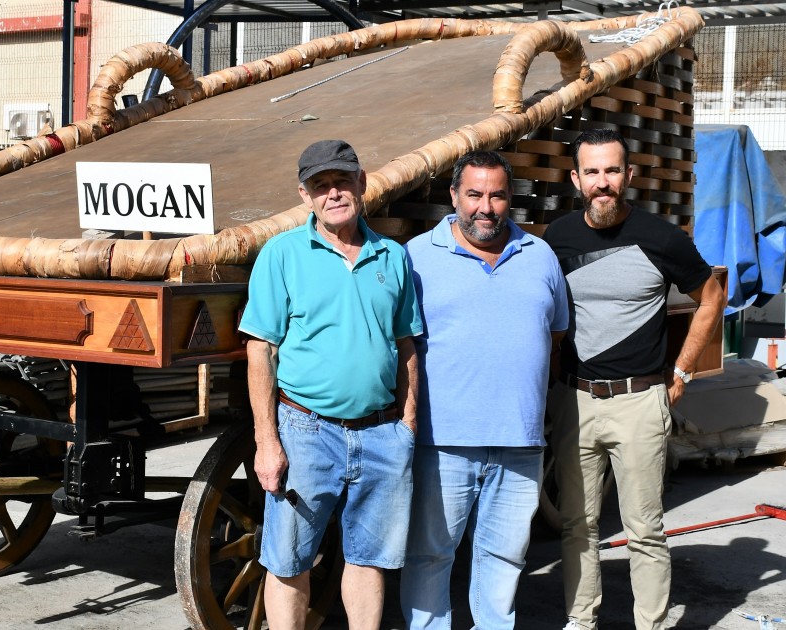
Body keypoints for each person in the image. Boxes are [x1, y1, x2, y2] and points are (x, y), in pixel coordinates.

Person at [542, 128, 724, 630]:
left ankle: (652, 624)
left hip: (640, 401)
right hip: (573, 402)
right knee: (577, 527)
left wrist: (682, 369)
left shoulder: (662, 238)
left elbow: (712, 297)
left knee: (644, 529)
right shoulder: (556, 239)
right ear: (577, 179)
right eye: (593, 172)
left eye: (612, 171)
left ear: (629, 175)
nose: (604, 183)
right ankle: (581, 621)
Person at [238, 139, 423, 630]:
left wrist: (406, 425)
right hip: (307, 430)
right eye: (321, 186)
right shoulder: (281, 255)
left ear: (362, 184)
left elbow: (406, 344)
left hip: (382, 432)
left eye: (342, 181)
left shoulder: (392, 257)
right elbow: (260, 348)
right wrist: (266, 441)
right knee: (289, 559)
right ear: (305, 195)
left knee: (368, 559)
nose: (333, 193)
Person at [400, 150, 568, 629]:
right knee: (431, 557)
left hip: (519, 445)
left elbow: (554, 337)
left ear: (509, 198)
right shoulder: (417, 257)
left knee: (505, 560)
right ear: (454, 196)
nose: (485, 207)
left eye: (496, 196)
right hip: (443, 444)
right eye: (474, 194)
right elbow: (401, 345)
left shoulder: (540, 255)